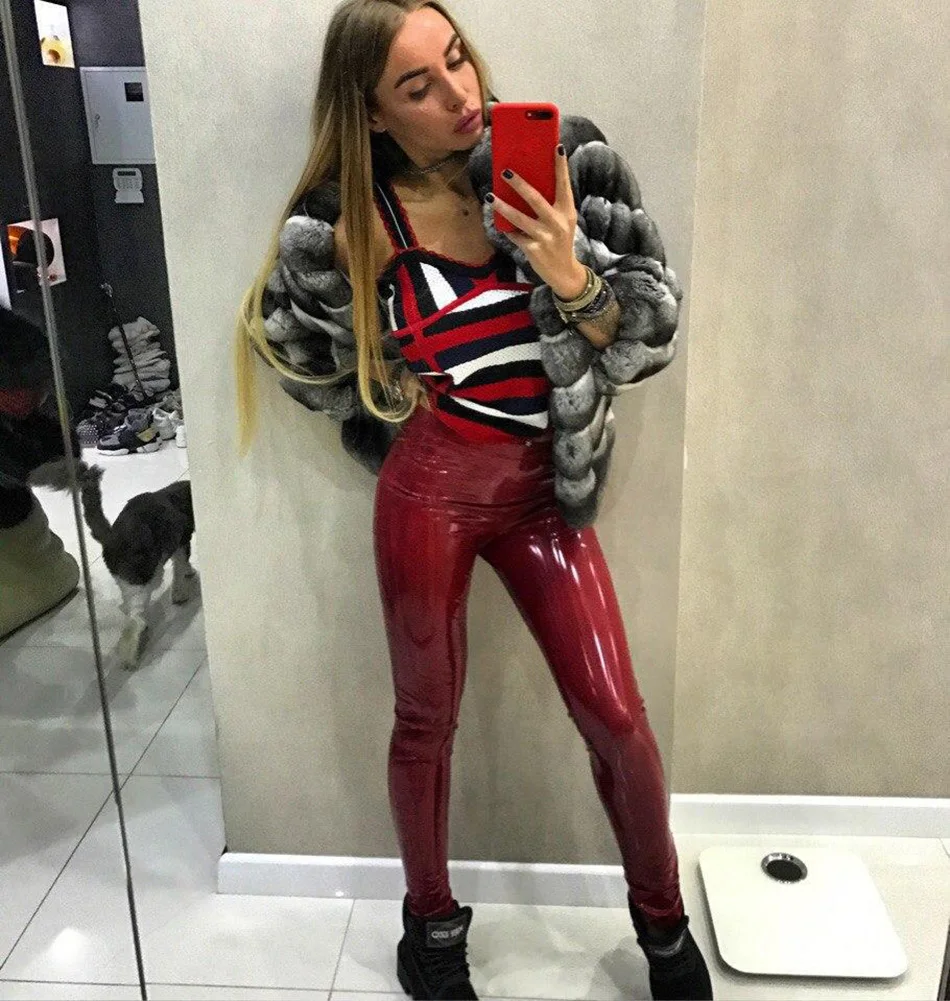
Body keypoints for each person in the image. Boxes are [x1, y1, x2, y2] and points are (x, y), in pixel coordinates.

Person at [236, 2, 712, 998]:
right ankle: (431, 928)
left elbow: (650, 335)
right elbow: (293, 345)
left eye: (457, 59)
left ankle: (663, 926)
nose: (459, 93)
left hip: (544, 495)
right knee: (425, 718)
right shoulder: (349, 219)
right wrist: (386, 412)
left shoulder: (566, 161)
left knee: (616, 716)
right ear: (371, 113)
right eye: (418, 85)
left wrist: (568, 271)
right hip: (432, 493)